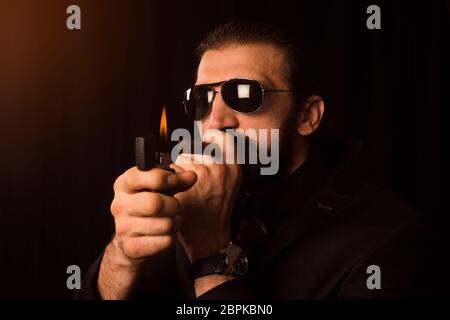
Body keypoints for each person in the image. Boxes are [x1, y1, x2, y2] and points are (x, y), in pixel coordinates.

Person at [75, 21, 433, 300]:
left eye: (245, 95)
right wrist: (123, 254)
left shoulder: (388, 237)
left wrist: (212, 255)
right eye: (202, 99)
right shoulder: (182, 201)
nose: (216, 121)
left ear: (307, 116)